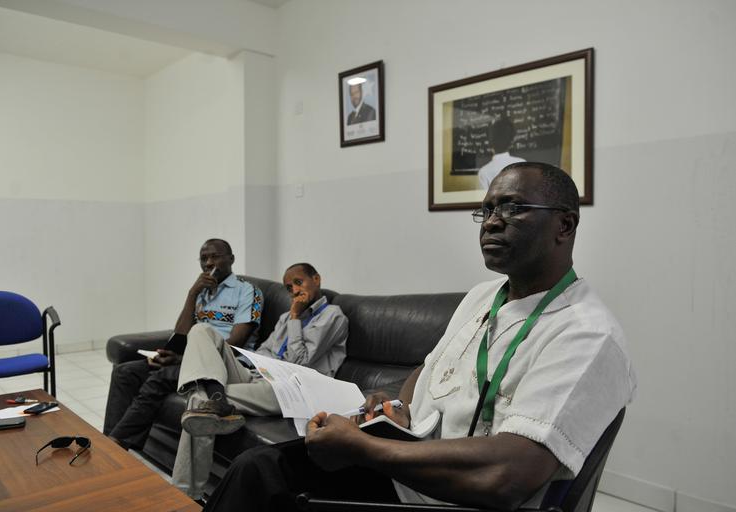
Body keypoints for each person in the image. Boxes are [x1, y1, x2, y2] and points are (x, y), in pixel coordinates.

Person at [202, 163, 637, 512]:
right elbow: (430, 367)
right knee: (258, 468)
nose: (491, 223)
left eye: (512, 208)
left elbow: (507, 477)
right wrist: (398, 406)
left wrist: (362, 448)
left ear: (565, 225)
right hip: (411, 472)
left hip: (452, 499)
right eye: (486, 210)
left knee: (264, 482)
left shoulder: (586, 334)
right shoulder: (483, 296)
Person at [172, 262, 349, 499]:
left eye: (298, 283)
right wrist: (244, 365)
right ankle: (218, 397)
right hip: (259, 375)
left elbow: (300, 361)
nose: (294, 291)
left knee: (198, 399)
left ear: (316, 279)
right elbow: (264, 351)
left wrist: (295, 317)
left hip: (291, 389)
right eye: (289, 288)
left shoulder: (333, 316)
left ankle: (184, 495)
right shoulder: (284, 318)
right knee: (201, 330)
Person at [103, 238, 262, 453]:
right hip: (191, 358)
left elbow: (235, 343)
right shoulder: (203, 291)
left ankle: (116, 446)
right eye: (203, 258)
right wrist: (192, 294)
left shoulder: (248, 291)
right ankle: (108, 443)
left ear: (231, 259)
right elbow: (180, 334)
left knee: (160, 377)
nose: (209, 263)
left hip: (225, 364)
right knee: (125, 372)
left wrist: (182, 359)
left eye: (215, 256)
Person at [478, 116, 525, 190]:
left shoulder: (484, 172)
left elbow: (483, 197)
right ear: (511, 142)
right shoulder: (522, 164)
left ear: (490, 143)